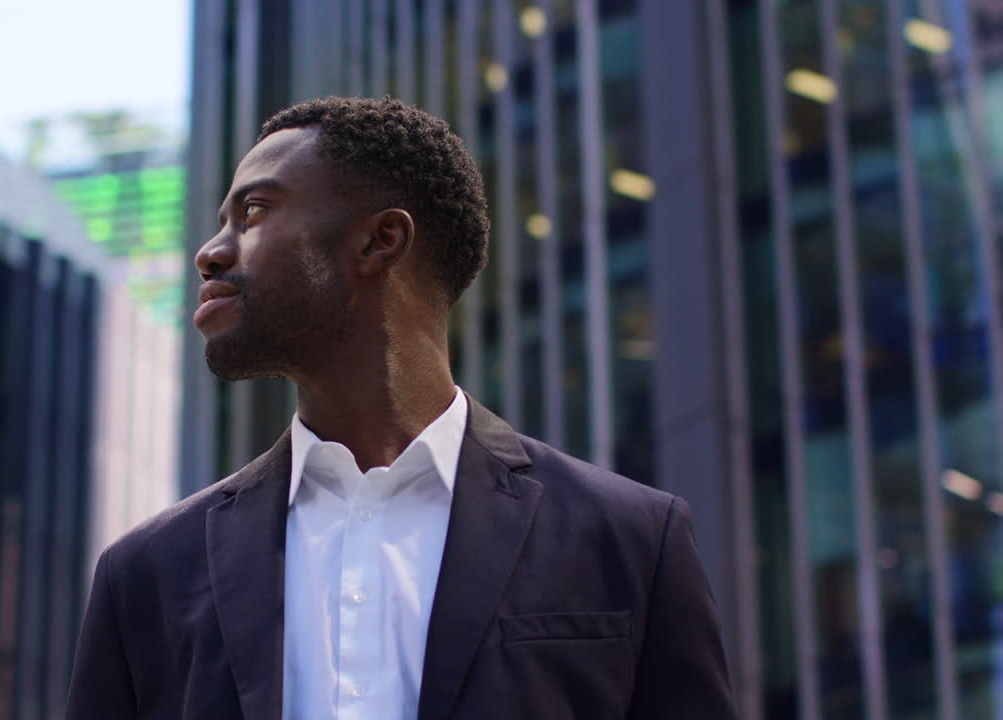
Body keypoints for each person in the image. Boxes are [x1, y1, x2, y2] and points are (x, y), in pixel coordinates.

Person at [65, 96, 738, 720]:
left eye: (253, 213)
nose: (210, 253)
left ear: (380, 241)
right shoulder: (144, 575)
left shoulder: (631, 542)